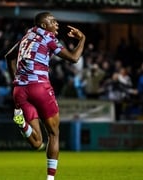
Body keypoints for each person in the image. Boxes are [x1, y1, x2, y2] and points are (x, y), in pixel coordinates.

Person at [5, 12, 86, 180]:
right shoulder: (48, 38)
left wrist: (16, 81)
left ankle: (23, 125)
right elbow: (74, 58)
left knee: (37, 143)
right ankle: (50, 179)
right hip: (39, 88)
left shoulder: (27, 37)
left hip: (20, 90)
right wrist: (82, 38)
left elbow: (8, 57)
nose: (56, 24)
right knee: (54, 133)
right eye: (53, 22)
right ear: (44, 25)